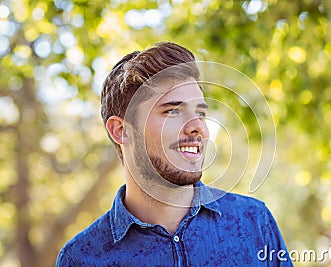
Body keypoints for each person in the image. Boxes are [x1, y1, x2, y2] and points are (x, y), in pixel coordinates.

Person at [56, 42, 293, 266]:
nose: (198, 127)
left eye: (200, 113)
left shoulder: (254, 222)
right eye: (172, 111)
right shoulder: (81, 258)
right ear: (121, 131)